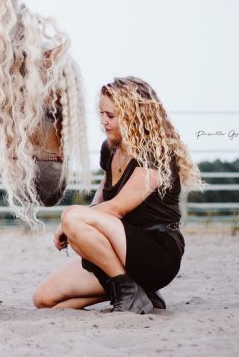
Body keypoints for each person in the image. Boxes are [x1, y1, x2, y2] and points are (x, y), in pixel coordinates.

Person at [33, 76, 203, 313]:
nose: (103, 121)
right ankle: (134, 291)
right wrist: (76, 220)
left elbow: (116, 209)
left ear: (134, 115)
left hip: (156, 252)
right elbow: (101, 199)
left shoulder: (153, 153)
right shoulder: (110, 148)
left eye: (111, 116)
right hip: (114, 251)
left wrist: (70, 222)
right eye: (101, 114)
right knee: (44, 300)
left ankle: (127, 288)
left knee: (73, 216)